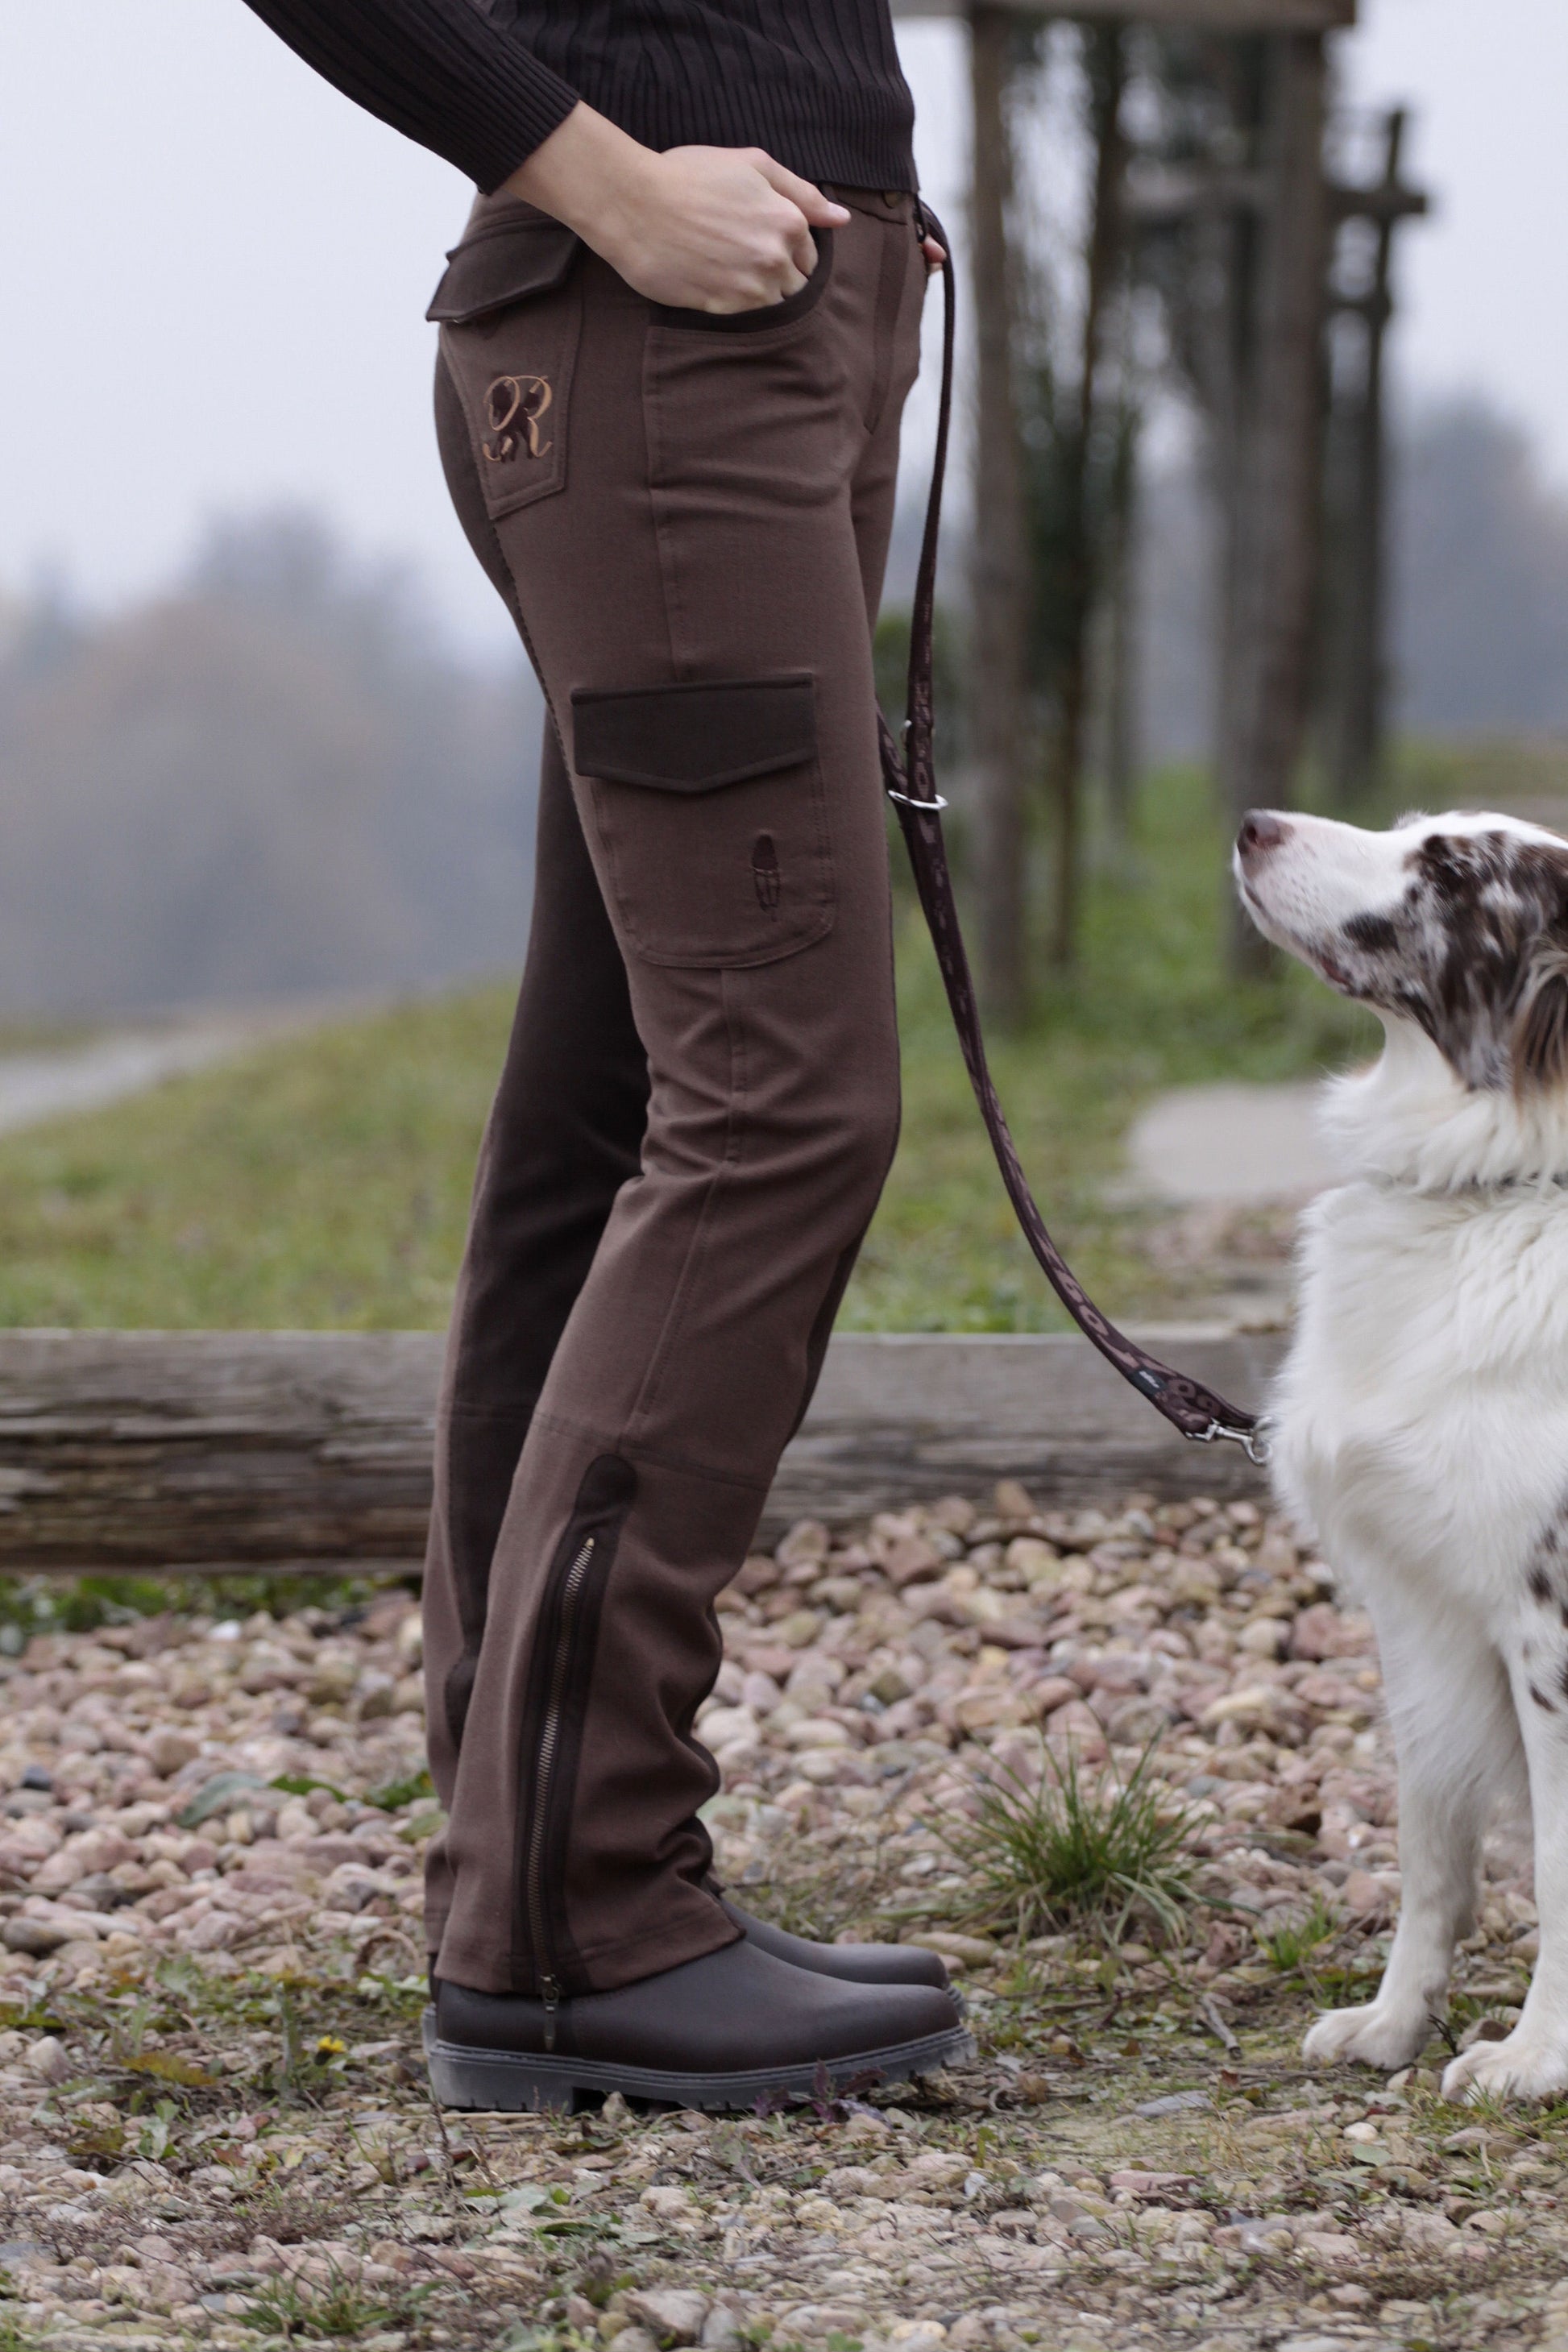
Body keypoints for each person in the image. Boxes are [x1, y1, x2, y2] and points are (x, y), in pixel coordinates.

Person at [240, 0, 967, 2110]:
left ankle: (525, 1859)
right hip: (663, 339)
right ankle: (578, 1911)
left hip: (768, 328)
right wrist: (610, 178)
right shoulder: (631, 223)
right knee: (780, 1111)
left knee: (622, 1107)